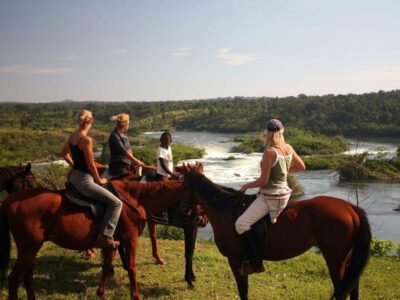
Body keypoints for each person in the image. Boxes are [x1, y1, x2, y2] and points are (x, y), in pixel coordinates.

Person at [235, 119, 305, 276]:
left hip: (270, 196)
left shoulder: (270, 152)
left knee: (241, 224)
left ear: (267, 133)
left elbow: (264, 181)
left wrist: (247, 185)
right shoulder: (288, 148)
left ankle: (255, 263)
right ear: (281, 132)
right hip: (285, 194)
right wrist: (285, 172)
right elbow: (301, 166)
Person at [61, 109, 122, 249]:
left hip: (74, 177)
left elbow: (63, 153)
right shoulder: (86, 140)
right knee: (116, 203)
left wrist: (75, 166)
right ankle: (105, 237)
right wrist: (100, 181)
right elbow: (91, 165)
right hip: (84, 181)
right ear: (90, 121)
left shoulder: (72, 136)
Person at [108, 113, 155, 177]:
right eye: (128, 124)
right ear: (125, 124)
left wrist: (134, 163)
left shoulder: (124, 136)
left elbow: (129, 151)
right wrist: (138, 161)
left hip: (127, 163)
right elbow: (124, 152)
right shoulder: (114, 136)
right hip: (118, 165)